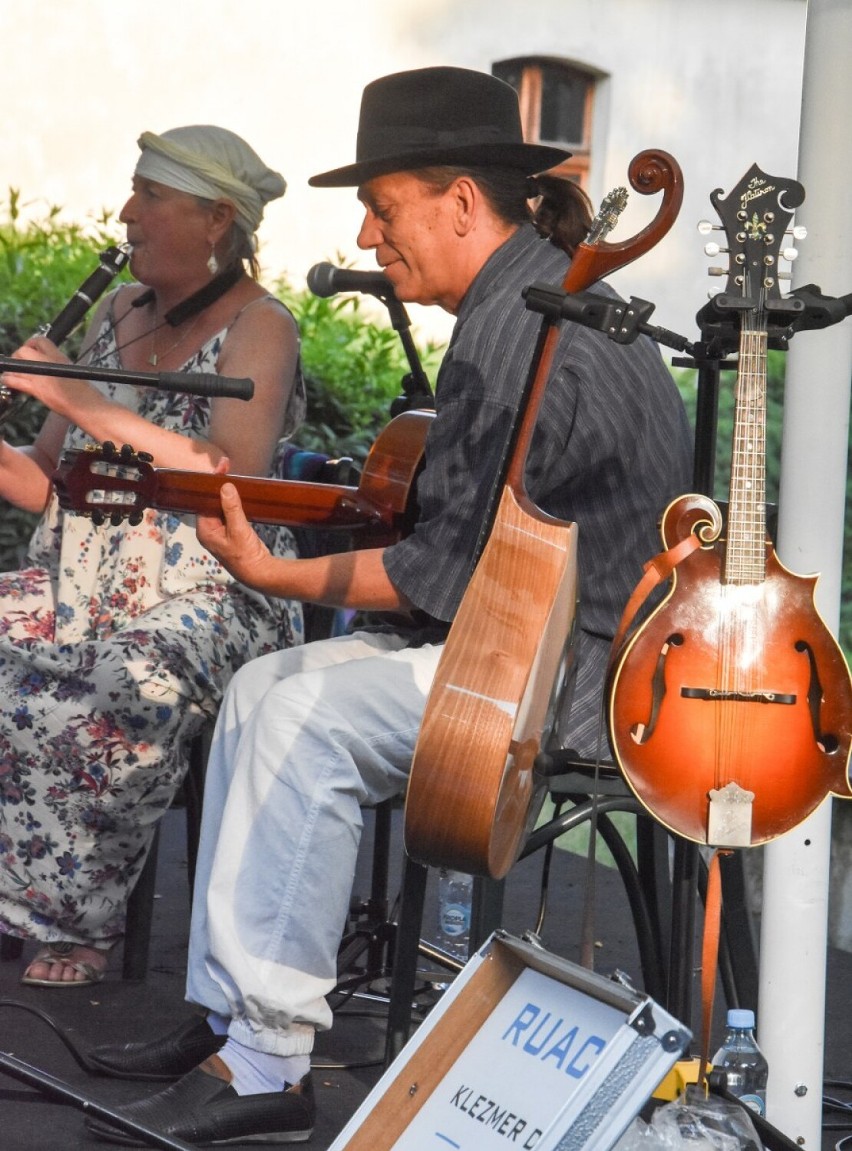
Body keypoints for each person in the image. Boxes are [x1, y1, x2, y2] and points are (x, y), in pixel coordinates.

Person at [83, 67, 693, 1146]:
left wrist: (269, 571)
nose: (368, 236)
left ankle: (269, 1056)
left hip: (579, 672)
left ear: (462, 203)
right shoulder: (525, 298)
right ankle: (240, 1017)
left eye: (384, 206)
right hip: (546, 637)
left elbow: (442, 577)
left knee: (295, 713)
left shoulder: (523, 331)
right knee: (264, 685)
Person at [0, 125, 305, 987]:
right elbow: (44, 480)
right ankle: (15, 894)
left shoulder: (262, 325)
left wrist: (82, 399)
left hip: (214, 585)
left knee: (122, 680)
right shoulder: (117, 313)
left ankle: (76, 924)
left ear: (216, 219)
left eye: (148, 196)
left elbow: (228, 471)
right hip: (82, 575)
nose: (126, 213)